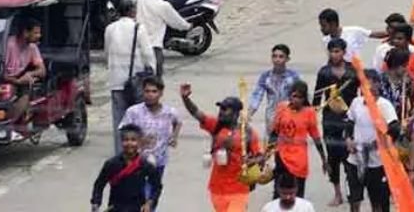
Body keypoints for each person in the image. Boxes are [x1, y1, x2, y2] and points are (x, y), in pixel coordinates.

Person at [181, 82, 264, 212]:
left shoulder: (248, 133)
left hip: (239, 189)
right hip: (217, 188)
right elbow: (197, 113)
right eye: (221, 108)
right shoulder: (216, 126)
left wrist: (251, 161)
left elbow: (261, 157)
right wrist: (185, 98)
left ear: (236, 113)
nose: (221, 112)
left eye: (226, 109)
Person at [118, 77, 182, 206]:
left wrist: (174, 137)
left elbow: (178, 122)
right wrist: (139, 140)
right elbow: (122, 130)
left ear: (161, 93)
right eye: (147, 91)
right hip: (136, 162)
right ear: (142, 92)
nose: (150, 95)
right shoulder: (133, 112)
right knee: (137, 195)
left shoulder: (169, 112)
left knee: (152, 196)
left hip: (159, 161)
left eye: (154, 91)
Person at [105, 0, 156, 152]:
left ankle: (120, 154)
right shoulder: (138, 28)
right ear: (132, 11)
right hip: (136, 82)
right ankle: (138, 153)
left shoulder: (110, 29)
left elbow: (107, 52)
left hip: (116, 81)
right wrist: (152, 72)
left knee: (119, 121)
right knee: (139, 119)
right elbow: (148, 54)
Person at [312, 38, 357, 207]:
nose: (334, 54)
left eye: (338, 51)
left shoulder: (352, 72)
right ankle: (337, 193)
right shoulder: (324, 73)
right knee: (333, 156)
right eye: (332, 51)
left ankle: (352, 190)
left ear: (344, 52)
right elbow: (317, 96)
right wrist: (312, 114)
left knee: (350, 155)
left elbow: (362, 92)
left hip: (349, 118)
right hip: (330, 119)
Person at [346, 71, 399, 212]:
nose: (366, 87)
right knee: (354, 198)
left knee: (378, 200)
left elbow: (394, 129)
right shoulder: (356, 102)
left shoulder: (384, 106)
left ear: (377, 84)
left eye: (369, 83)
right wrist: (348, 139)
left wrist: (382, 141)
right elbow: (350, 122)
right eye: (363, 84)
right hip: (355, 159)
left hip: (377, 160)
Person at [270, 81, 325, 199]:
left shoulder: (309, 113)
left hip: (299, 160)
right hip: (282, 157)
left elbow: (316, 137)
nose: (296, 100)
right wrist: (265, 155)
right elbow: (274, 132)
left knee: (298, 196)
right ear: (290, 95)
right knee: (278, 193)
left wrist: (324, 159)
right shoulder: (281, 108)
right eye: (294, 96)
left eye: (300, 97)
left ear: (304, 98)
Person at [91, 124, 162, 212]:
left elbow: (157, 186)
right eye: (126, 140)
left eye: (133, 140)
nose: (129, 143)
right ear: (121, 142)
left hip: (137, 207)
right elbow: (99, 185)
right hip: (115, 207)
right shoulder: (112, 164)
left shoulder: (145, 165)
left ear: (139, 142)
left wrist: (150, 202)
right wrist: (96, 204)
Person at [2, 17, 46, 127]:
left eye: (39, 33)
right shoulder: (9, 45)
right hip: (4, 79)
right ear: (26, 32)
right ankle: (6, 125)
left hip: (19, 79)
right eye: (35, 33)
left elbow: (42, 71)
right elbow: (1, 72)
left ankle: (12, 124)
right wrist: (17, 81)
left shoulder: (32, 47)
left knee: (26, 94)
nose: (38, 36)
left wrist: (29, 74)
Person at [250, 44, 303, 130]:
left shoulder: (293, 76)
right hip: (271, 116)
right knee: (271, 142)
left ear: (287, 59)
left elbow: (302, 94)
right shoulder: (266, 76)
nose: (277, 59)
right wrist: (249, 114)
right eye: (274, 56)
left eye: (281, 57)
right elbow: (257, 96)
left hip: (290, 114)